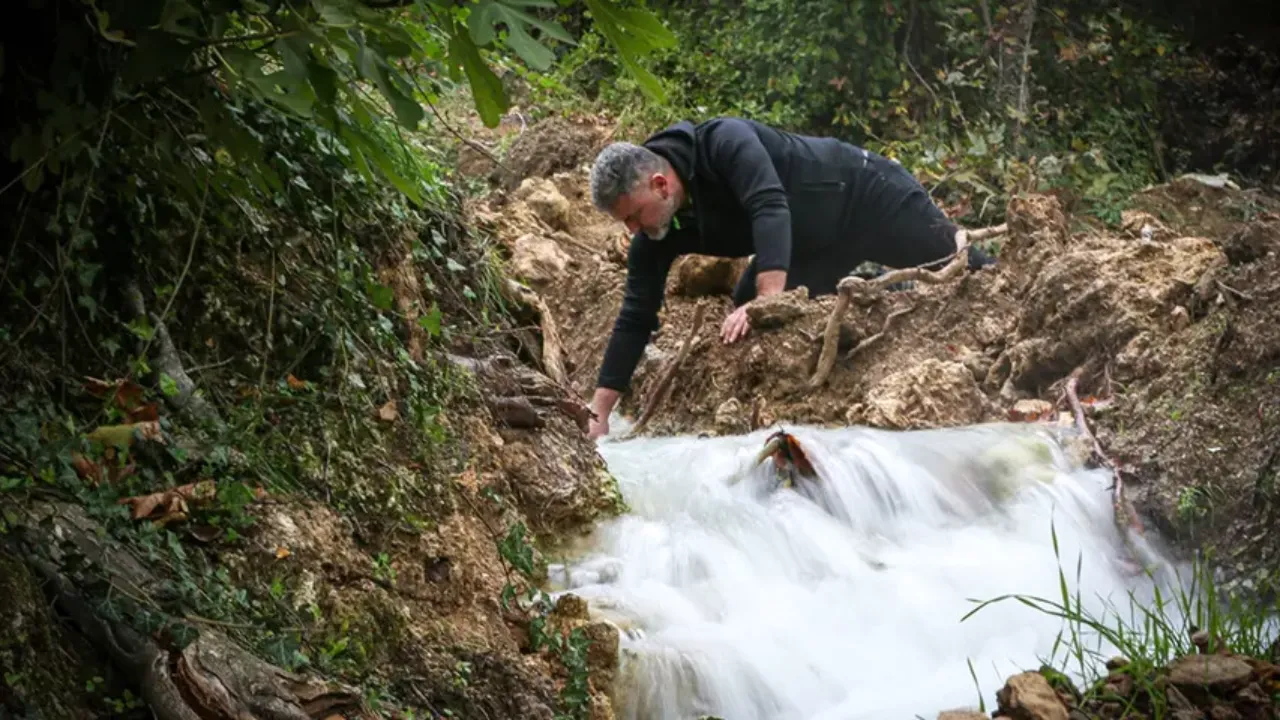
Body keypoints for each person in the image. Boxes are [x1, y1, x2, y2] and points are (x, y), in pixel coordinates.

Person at [583, 116, 993, 439]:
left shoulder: (724, 141)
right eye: (625, 222)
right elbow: (636, 314)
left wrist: (767, 304)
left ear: (659, 185)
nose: (632, 231)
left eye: (633, 216)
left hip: (869, 196)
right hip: (813, 245)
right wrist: (599, 412)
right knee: (745, 319)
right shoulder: (657, 230)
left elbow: (769, 206)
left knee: (973, 274)